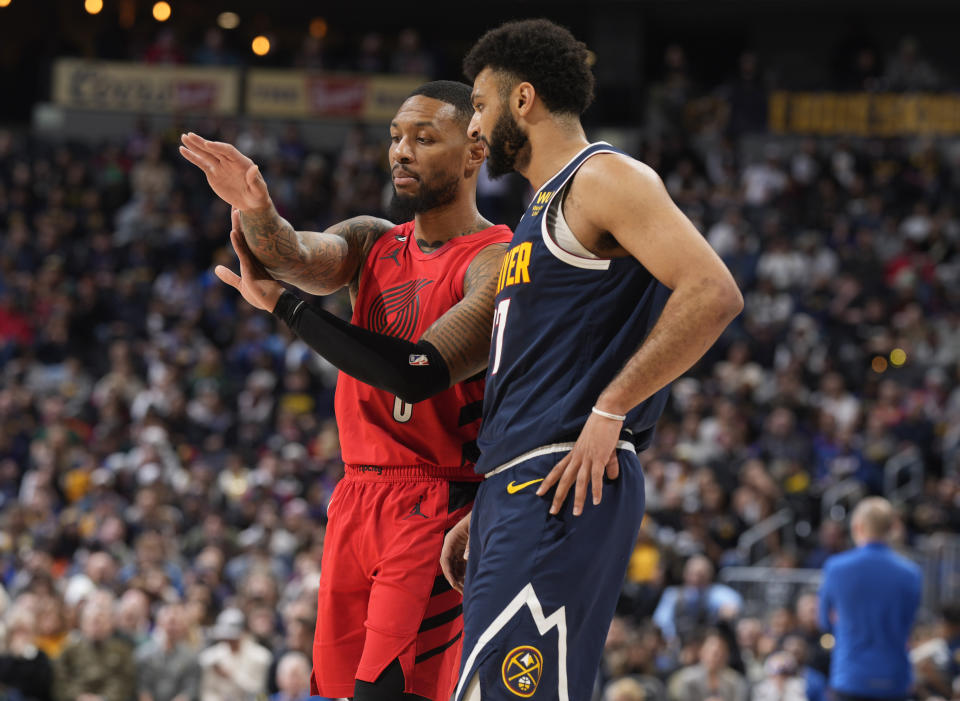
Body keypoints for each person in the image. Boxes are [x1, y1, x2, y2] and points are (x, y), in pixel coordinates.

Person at [179, 80, 512, 701]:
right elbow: (297, 255)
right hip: (356, 494)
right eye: (394, 137)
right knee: (334, 691)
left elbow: (417, 368)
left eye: (423, 138)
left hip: (437, 500)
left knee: (388, 692)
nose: (401, 152)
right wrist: (256, 208)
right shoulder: (371, 239)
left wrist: (285, 308)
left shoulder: (496, 260)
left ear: (474, 151)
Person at [441, 19, 742, 701]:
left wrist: (612, 406)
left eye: (481, 106)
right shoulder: (535, 211)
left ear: (523, 101)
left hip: (562, 478)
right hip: (517, 481)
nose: (474, 129)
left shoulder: (604, 178)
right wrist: (487, 499)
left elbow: (714, 291)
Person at [818, 497, 922, 701]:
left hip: (850, 677)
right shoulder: (911, 573)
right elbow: (909, 623)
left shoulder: (836, 568)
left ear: (857, 527)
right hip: (895, 679)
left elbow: (824, 621)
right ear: (892, 528)